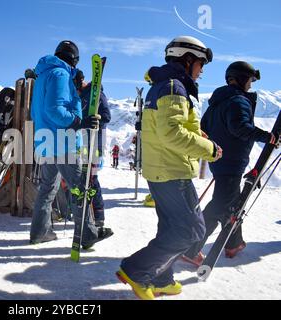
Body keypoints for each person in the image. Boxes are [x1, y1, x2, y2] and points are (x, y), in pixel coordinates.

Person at [116, 36, 222, 300]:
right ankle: (136, 270)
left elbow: (170, 127)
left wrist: (199, 135)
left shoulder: (168, 85)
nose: (202, 70)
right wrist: (208, 150)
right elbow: (171, 133)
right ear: (187, 60)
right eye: (200, 63)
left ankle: (162, 278)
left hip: (163, 168)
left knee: (172, 227)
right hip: (171, 170)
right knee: (191, 230)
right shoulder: (174, 87)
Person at [182, 61, 279, 265]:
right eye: (250, 79)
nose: (251, 84)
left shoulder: (217, 102)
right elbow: (240, 128)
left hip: (219, 161)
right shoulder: (238, 101)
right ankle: (192, 249)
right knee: (220, 206)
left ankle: (234, 242)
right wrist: (267, 137)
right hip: (231, 163)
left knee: (233, 204)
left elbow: (204, 127)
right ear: (241, 78)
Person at [30, 40, 113, 248]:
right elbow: (54, 109)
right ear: (74, 59)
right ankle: (87, 233)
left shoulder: (43, 76)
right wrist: (79, 122)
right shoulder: (60, 74)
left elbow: (40, 111)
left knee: (47, 189)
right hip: (62, 142)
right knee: (79, 189)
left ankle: (40, 232)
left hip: (46, 141)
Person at [75, 69, 111, 228]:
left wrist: (97, 119)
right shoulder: (81, 96)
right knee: (85, 179)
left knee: (92, 179)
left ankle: (98, 215)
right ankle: (88, 213)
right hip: (84, 144)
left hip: (96, 144)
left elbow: (107, 115)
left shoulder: (96, 93)